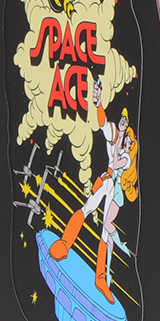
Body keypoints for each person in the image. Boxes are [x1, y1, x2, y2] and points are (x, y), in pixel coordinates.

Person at [49, 78, 139, 305]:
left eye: (129, 138)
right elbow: (103, 124)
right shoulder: (115, 135)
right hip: (106, 181)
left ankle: (101, 278)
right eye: (122, 122)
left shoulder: (126, 155)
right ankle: (65, 243)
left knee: (105, 231)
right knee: (87, 208)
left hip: (115, 188)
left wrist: (121, 142)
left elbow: (118, 162)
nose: (125, 133)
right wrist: (97, 103)